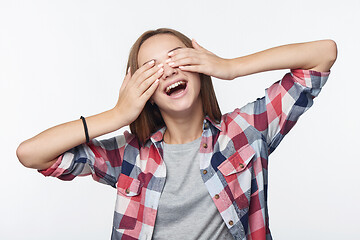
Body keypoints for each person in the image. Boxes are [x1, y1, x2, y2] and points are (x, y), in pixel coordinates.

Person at [16, 28, 337, 240]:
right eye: (152, 69)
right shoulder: (130, 155)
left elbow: (323, 53)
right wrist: (117, 114)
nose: (167, 70)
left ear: (199, 68)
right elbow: (31, 154)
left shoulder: (244, 131)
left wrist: (229, 67)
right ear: (146, 92)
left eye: (176, 58)